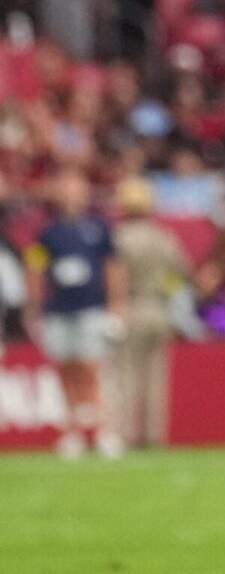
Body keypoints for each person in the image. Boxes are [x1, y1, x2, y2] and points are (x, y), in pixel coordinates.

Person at [25, 169, 128, 459]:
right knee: (65, 371)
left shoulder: (99, 228)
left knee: (91, 368)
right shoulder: (48, 232)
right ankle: (72, 432)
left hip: (90, 307)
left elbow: (113, 267)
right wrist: (34, 306)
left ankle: (105, 430)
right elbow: (36, 268)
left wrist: (117, 304)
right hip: (59, 309)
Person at [110, 176, 188, 449]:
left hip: (130, 306)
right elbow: (180, 274)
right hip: (158, 307)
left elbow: (113, 275)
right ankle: (156, 436)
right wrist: (164, 293)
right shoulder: (163, 237)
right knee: (157, 378)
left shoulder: (119, 238)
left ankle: (128, 434)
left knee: (128, 374)